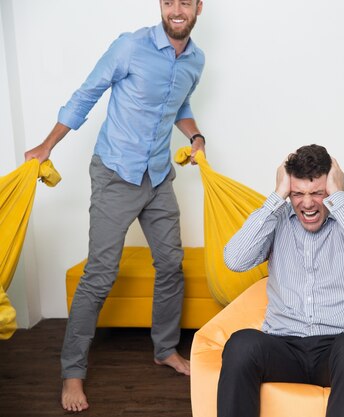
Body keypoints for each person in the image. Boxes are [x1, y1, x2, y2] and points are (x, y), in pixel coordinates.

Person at [24, 0, 206, 412]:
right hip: (115, 174)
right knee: (100, 275)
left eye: (186, 2)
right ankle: (72, 372)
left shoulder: (196, 60)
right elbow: (86, 94)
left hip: (159, 176)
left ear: (199, 8)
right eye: (169, 1)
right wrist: (45, 146)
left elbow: (181, 106)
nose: (177, 9)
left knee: (171, 265)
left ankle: (164, 349)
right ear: (161, 5)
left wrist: (196, 138)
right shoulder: (129, 47)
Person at [219, 144, 344, 417]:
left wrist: (339, 197)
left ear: (331, 189)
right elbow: (235, 260)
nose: (307, 204)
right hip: (283, 346)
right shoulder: (276, 220)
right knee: (241, 345)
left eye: (317, 193)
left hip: (338, 347)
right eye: (297, 194)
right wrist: (277, 196)